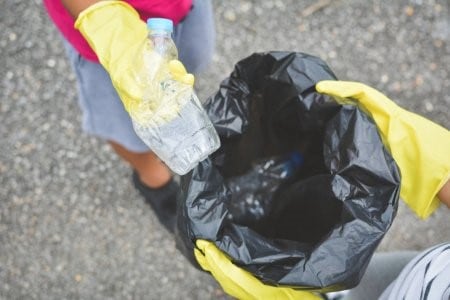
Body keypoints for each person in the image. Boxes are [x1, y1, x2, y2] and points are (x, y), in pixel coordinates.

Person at [43, 0, 215, 231]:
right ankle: (152, 178)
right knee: (123, 125)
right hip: (105, 37)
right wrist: (111, 29)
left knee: (190, 62)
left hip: (180, 9)